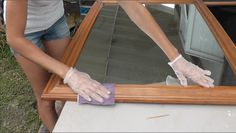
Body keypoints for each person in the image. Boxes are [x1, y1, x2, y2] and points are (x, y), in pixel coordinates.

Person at [4, 0, 214, 132]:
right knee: (46, 97)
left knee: (64, 92)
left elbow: (132, 6)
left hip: (55, 22)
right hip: (26, 32)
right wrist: (69, 73)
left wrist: (176, 59)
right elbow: (15, 38)